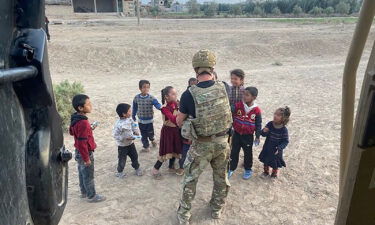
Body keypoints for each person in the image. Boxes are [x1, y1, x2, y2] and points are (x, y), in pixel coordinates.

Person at [176, 49, 232, 224]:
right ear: (212, 67)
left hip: (202, 144)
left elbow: (179, 121)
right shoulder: (224, 87)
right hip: (223, 142)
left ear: (195, 70)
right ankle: (216, 209)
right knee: (221, 177)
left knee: (190, 179)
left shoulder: (188, 94)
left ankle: (184, 214)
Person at [69, 94, 106, 203]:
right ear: (80, 108)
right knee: (89, 175)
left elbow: (72, 132)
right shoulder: (83, 122)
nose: (91, 106)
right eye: (88, 104)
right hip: (85, 153)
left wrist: (90, 128)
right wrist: (86, 159)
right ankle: (92, 196)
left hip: (78, 152)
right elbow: (82, 143)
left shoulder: (75, 117)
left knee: (82, 172)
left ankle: (84, 192)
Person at [228, 87, 262, 180]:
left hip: (248, 136)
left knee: (248, 153)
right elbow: (229, 111)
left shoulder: (257, 110)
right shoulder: (238, 105)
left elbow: (258, 124)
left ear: (254, 97)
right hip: (237, 134)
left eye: (247, 95)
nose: (244, 96)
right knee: (234, 152)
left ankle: (248, 169)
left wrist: (257, 136)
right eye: (244, 94)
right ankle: (231, 168)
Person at [151, 86, 182, 179]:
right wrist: (181, 112)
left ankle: (171, 166)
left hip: (176, 131)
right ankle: (155, 171)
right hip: (168, 132)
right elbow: (173, 119)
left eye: (175, 93)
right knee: (165, 151)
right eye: (173, 94)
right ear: (166, 97)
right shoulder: (164, 108)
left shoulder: (177, 104)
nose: (175, 95)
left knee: (175, 149)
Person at [113, 103, 143, 178]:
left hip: (131, 144)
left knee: (135, 156)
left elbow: (134, 125)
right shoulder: (118, 125)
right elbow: (115, 135)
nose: (131, 112)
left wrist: (136, 131)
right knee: (122, 160)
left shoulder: (130, 119)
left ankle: (137, 168)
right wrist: (123, 138)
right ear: (124, 114)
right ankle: (120, 172)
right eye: (129, 111)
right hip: (122, 146)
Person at [259, 106, 290, 178]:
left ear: (283, 118)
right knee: (266, 160)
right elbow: (263, 134)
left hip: (276, 149)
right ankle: (266, 172)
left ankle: (274, 173)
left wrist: (280, 148)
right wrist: (264, 131)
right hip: (267, 147)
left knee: (275, 162)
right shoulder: (270, 124)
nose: (275, 116)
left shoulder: (284, 130)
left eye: (278, 115)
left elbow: (285, 141)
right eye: (275, 114)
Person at [132, 80, 162, 152]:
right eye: (144, 87)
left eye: (148, 87)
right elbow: (135, 107)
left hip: (149, 121)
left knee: (150, 133)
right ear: (140, 88)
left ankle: (152, 140)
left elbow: (157, 104)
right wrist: (133, 115)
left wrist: (161, 108)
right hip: (141, 121)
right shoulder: (136, 98)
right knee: (143, 135)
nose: (146, 89)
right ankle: (146, 147)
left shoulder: (151, 98)